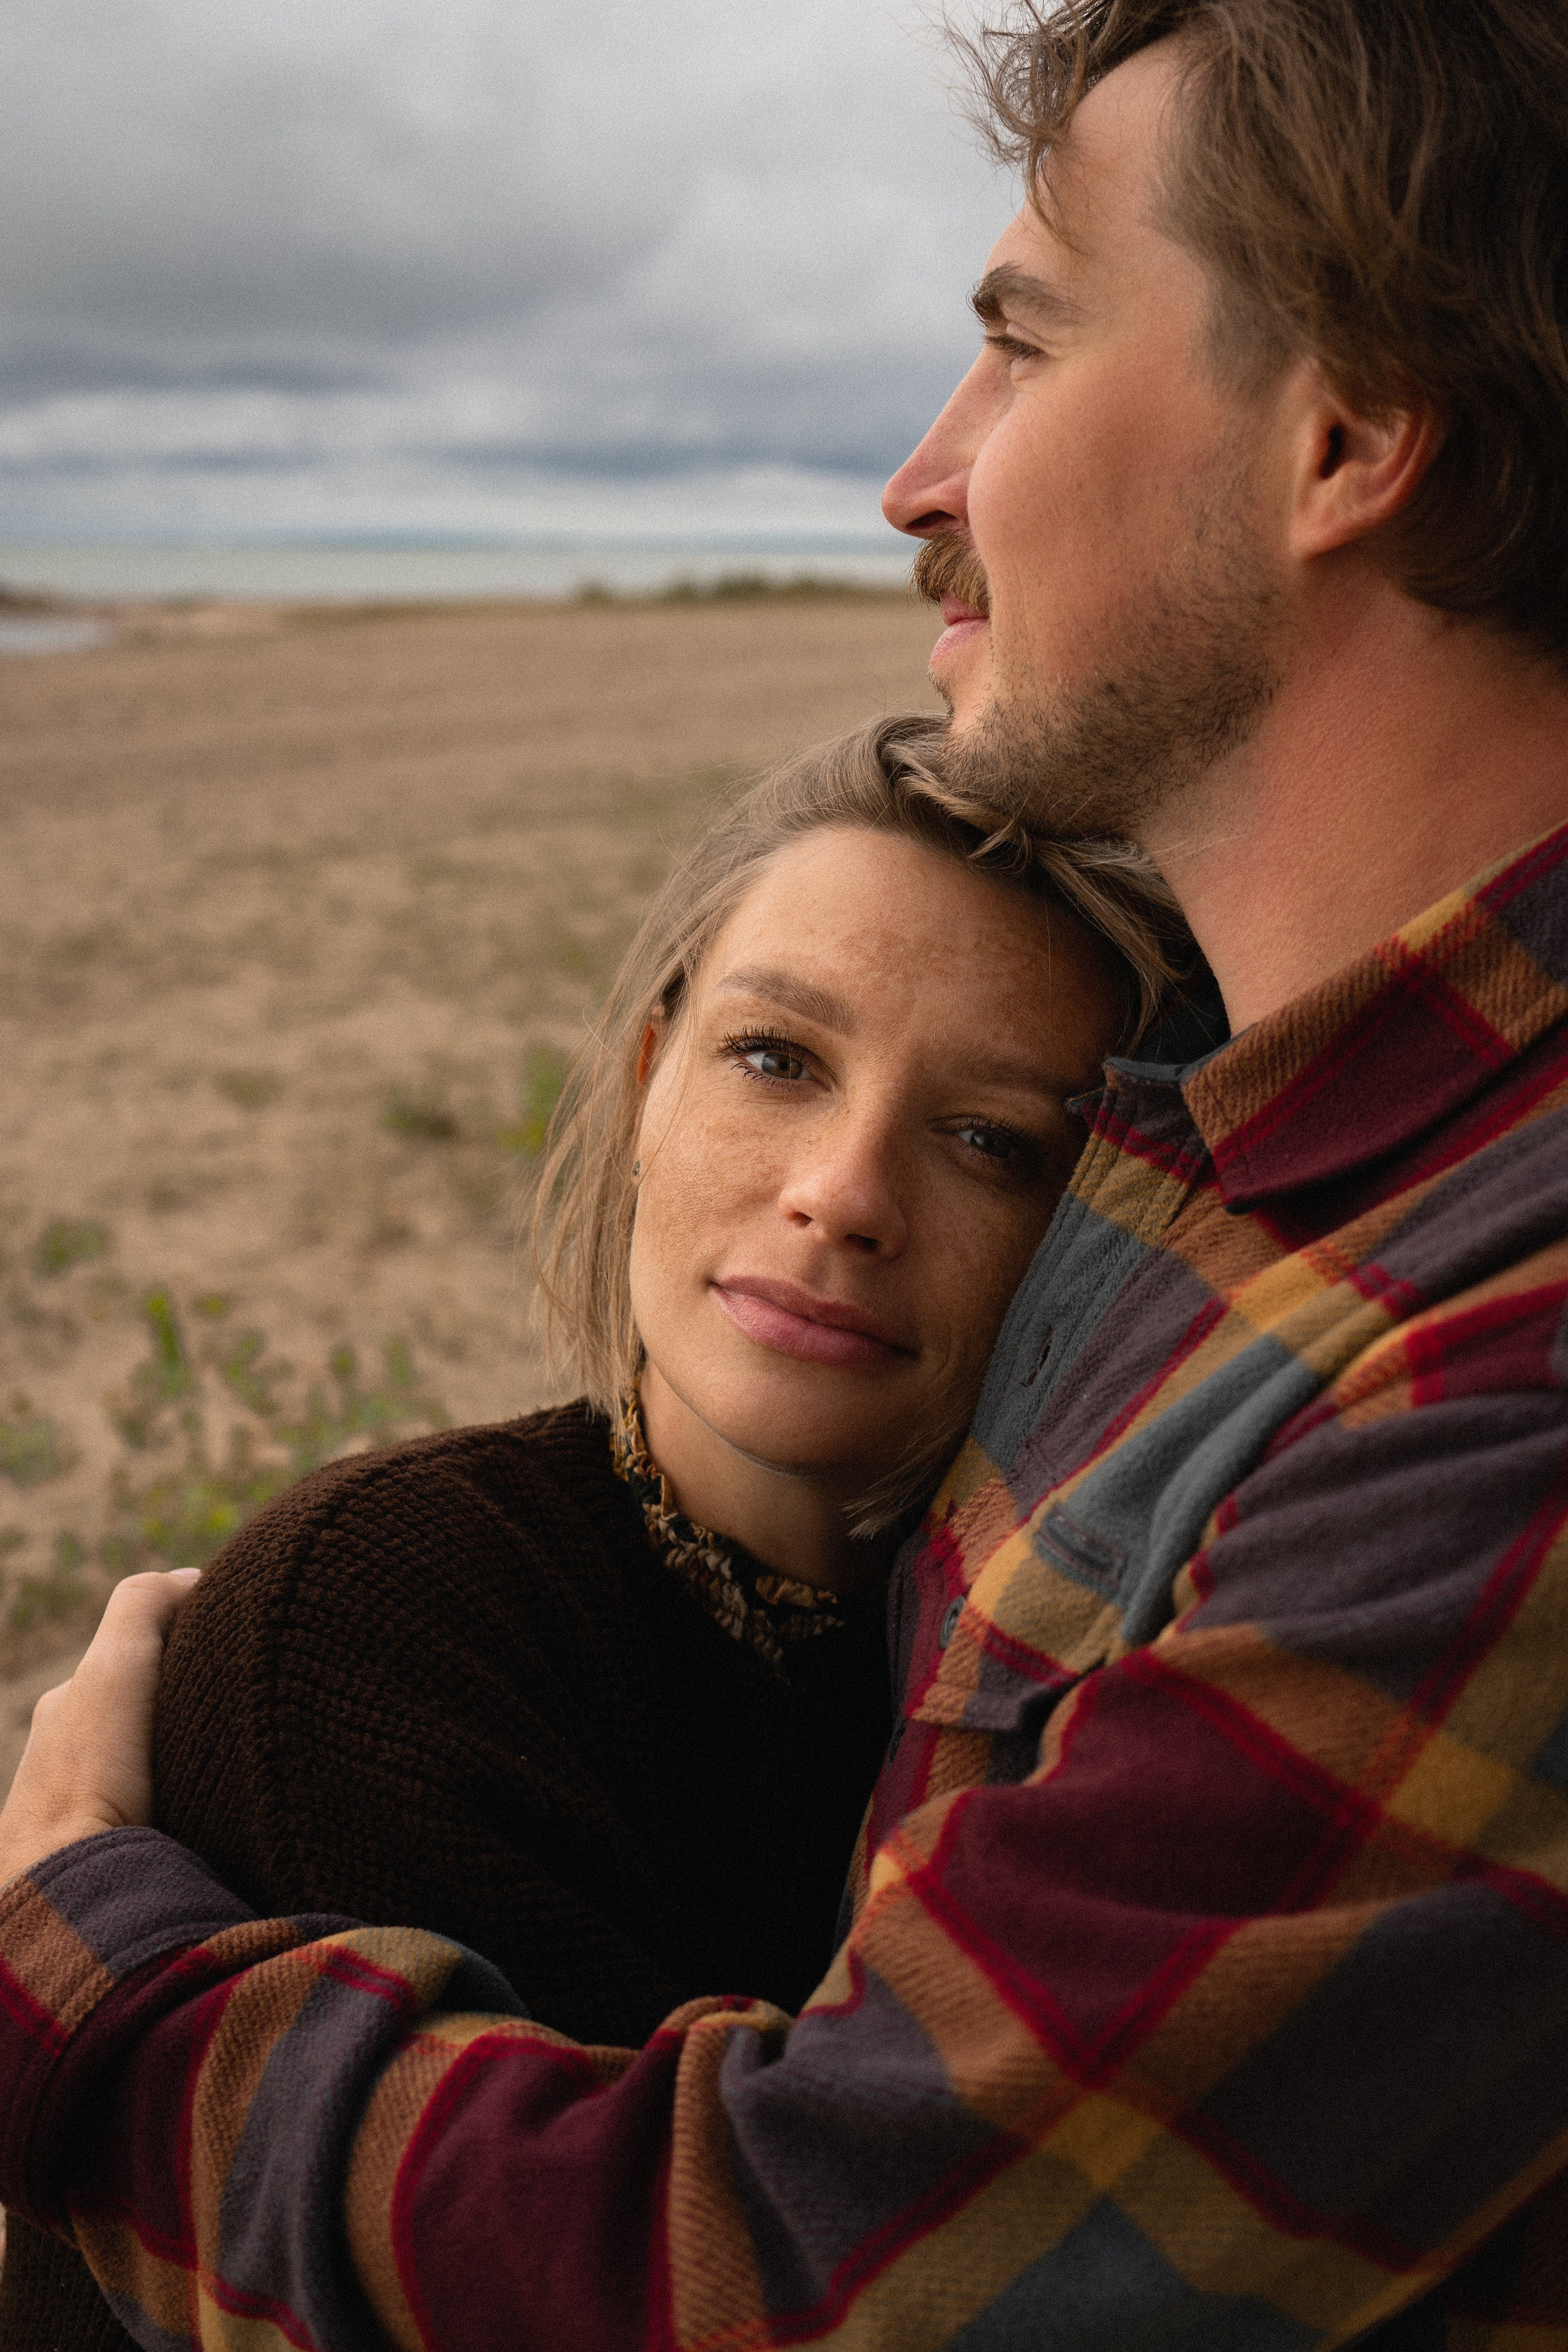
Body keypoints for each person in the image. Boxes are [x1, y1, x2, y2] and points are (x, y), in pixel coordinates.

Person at [4, 0, 1568, 2343]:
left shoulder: (1489, 1371)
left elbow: (807, 2280)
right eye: (764, 1061)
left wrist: (67, 1950)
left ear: (1343, 436)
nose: (922, 478)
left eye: (1024, 344)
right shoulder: (1247, 1161)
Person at [0, 709, 1186, 2352]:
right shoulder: (378, 1624)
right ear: (649, 1081)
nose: (843, 1191)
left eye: (991, 1140)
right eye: (777, 1058)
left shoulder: (1049, 1672)